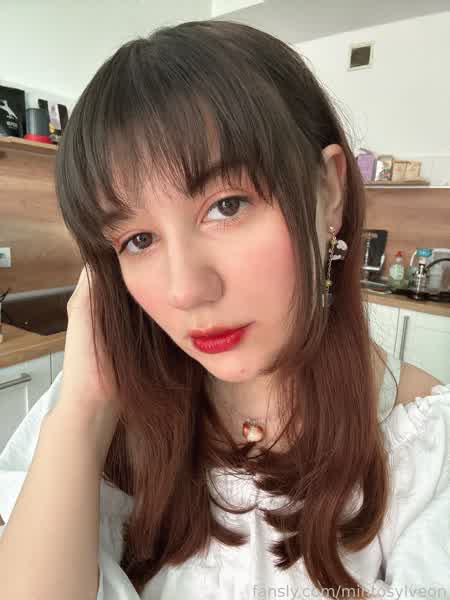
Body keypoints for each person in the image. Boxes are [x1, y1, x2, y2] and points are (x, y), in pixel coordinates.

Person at [0, 19, 449, 600]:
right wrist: (85, 411)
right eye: (138, 240)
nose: (186, 290)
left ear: (329, 192)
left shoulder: (427, 451)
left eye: (227, 205)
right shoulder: (100, 410)